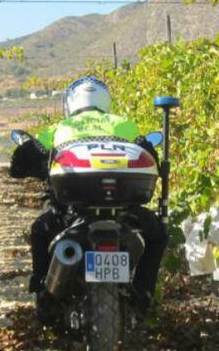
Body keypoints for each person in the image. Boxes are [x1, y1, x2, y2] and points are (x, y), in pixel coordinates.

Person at [9, 76, 167, 329]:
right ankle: (144, 297)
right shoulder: (123, 124)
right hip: (124, 212)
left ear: (70, 103)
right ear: (105, 101)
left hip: (73, 213)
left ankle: (43, 294)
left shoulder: (60, 128)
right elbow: (150, 155)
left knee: (40, 231)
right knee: (157, 234)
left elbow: (26, 160)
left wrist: (27, 160)